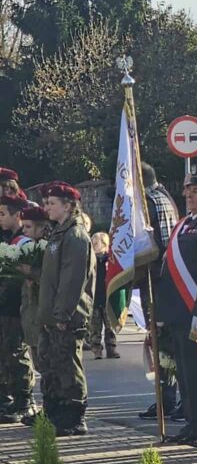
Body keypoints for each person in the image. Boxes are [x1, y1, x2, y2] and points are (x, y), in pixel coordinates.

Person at [156, 166, 197, 448]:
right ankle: (193, 421)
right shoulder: (184, 223)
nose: (188, 195)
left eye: (195, 190)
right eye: (187, 189)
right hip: (177, 310)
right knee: (184, 370)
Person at [36, 182, 95, 437]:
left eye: (52, 203)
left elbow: (72, 279)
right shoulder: (58, 233)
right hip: (52, 314)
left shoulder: (75, 235)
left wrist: (62, 313)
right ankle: (55, 411)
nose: (47, 207)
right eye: (46, 203)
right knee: (53, 363)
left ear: (69, 206)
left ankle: (74, 417)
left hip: (68, 315)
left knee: (69, 365)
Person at [138, 161, 181, 422]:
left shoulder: (151, 201)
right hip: (159, 281)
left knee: (163, 343)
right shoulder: (161, 196)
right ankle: (165, 399)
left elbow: (161, 247)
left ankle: (168, 400)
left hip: (159, 282)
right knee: (160, 342)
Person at [0, 196, 38, 424]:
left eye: (3, 213)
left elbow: (22, 277)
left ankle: (25, 401)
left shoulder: (23, 242)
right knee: (5, 354)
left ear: (17, 215)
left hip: (16, 306)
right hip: (4, 306)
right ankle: (9, 399)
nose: (0, 218)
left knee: (17, 354)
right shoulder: (7, 238)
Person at [87, 232, 120, 360]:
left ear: (105, 244)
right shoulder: (90, 260)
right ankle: (96, 349)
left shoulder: (110, 260)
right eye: (93, 243)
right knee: (95, 326)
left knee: (109, 325)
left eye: (96, 244)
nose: (94, 246)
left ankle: (111, 348)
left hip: (107, 297)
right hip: (95, 298)